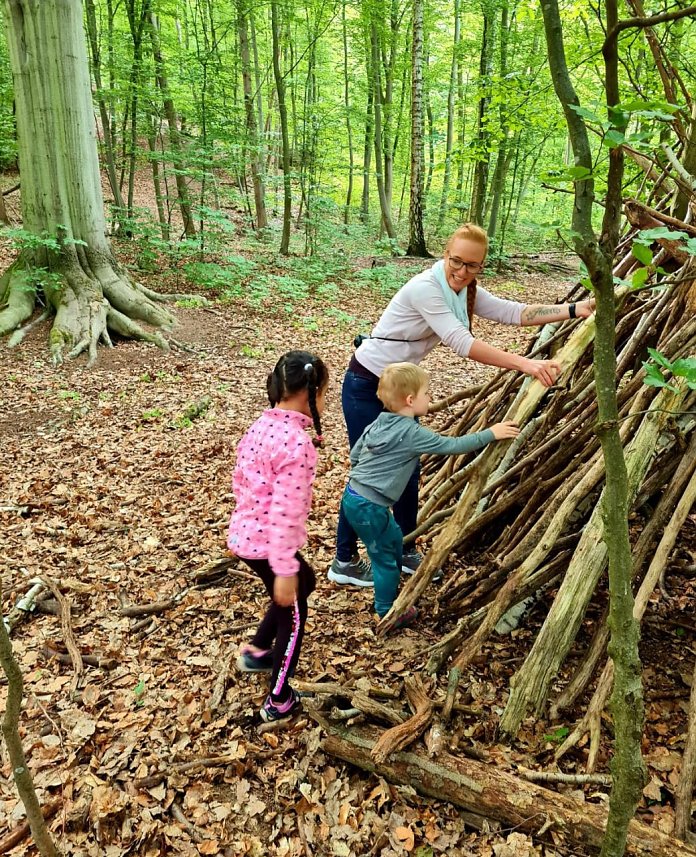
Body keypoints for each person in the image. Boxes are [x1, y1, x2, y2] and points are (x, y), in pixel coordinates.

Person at [329, 222, 594, 587]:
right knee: (368, 476)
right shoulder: (427, 288)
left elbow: (512, 312)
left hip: (397, 388)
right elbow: (461, 342)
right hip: (367, 384)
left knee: (408, 467)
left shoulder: (465, 288)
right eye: (457, 261)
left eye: (473, 265)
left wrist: (574, 308)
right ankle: (344, 559)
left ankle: (405, 549)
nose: (463, 271)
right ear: (445, 254)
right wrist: (527, 364)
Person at [342, 362, 520, 624]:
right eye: (427, 393)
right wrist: (491, 433)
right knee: (383, 560)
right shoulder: (412, 433)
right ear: (411, 400)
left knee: (392, 537)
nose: (430, 398)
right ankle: (387, 610)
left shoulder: (378, 422)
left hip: (353, 496)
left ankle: (390, 580)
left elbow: (355, 455)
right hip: (370, 507)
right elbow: (454, 445)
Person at [227, 350, 328, 724]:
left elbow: (246, 479)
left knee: (308, 580)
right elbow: (285, 514)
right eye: (323, 394)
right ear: (309, 394)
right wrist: (284, 569)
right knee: (295, 609)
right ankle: (279, 698)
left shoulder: (264, 426)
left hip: (247, 535)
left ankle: (257, 651)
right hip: (268, 544)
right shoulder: (296, 445)